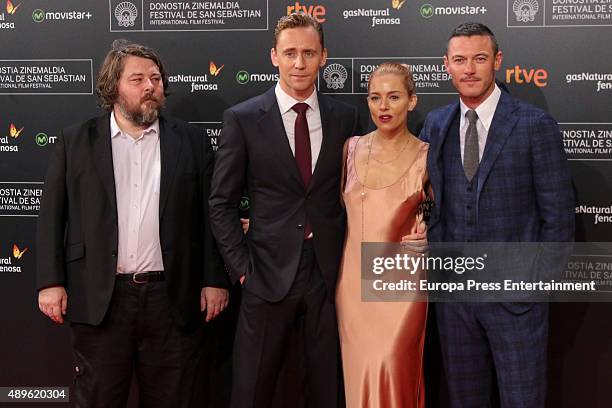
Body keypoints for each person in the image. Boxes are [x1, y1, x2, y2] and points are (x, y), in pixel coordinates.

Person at [36, 39, 230, 408]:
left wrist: (213, 279)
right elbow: (51, 216)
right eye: (137, 79)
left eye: (155, 79)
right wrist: (50, 282)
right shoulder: (76, 141)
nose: (150, 87)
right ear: (113, 87)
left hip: (172, 299)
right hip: (101, 300)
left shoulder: (190, 140)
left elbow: (209, 217)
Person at [209, 13, 360, 408]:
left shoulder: (345, 117)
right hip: (265, 274)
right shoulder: (242, 119)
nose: (299, 62)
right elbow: (221, 202)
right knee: (251, 390)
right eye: (290, 52)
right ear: (273, 56)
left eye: (308, 52)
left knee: (327, 390)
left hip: (329, 276)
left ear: (324, 57)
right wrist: (243, 270)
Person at [420, 23, 575, 407]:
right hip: (454, 303)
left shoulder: (534, 125)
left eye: (479, 58)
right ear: (446, 65)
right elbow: (426, 202)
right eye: (459, 60)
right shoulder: (435, 125)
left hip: (517, 304)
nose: (469, 69)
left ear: (497, 61)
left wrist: (535, 287)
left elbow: (558, 218)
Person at [336, 62, 429, 408]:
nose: (383, 107)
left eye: (394, 97)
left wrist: (431, 238)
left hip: (400, 289)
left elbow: (445, 217)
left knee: (392, 368)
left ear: (412, 101)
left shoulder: (426, 156)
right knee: (358, 378)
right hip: (350, 288)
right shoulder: (350, 148)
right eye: (375, 98)